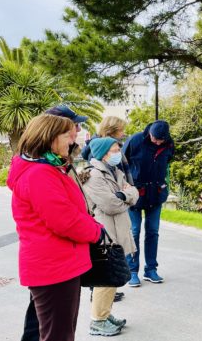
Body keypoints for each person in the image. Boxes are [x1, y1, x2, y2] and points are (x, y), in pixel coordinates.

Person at [7, 114, 103, 341]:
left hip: (56, 265)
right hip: (55, 268)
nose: (72, 140)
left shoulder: (45, 168)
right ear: (49, 137)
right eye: (66, 135)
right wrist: (97, 232)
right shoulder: (40, 173)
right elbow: (65, 220)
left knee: (54, 331)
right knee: (58, 335)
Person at [83, 137, 139, 336]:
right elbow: (110, 205)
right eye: (115, 149)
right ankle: (98, 321)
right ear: (104, 153)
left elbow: (134, 192)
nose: (119, 153)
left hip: (118, 228)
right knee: (105, 277)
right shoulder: (93, 175)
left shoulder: (116, 171)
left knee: (113, 275)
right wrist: (125, 197)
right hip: (105, 231)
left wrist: (125, 195)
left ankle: (105, 314)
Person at [123, 120, 174, 286]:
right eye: (154, 138)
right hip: (135, 193)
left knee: (153, 231)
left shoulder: (169, 144)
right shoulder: (135, 140)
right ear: (150, 133)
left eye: (160, 140)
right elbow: (122, 163)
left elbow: (167, 162)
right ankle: (131, 271)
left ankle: (151, 269)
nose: (156, 142)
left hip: (156, 193)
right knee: (134, 231)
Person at [82, 116, 134, 186]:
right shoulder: (98, 149)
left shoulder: (113, 146)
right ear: (111, 131)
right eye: (121, 130)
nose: (123, 133)